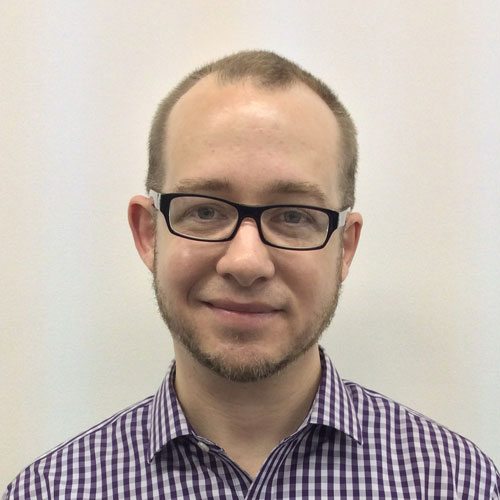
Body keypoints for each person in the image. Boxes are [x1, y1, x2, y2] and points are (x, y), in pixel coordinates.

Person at [4, 50, 499, 499]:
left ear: (345, 247)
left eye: (294, 215)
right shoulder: (50, 490)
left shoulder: (456, 482)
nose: (246, 262)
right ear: (149, 233)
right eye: (204, 211)